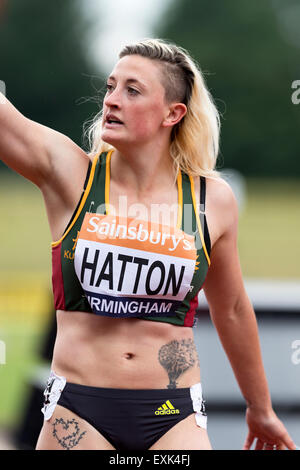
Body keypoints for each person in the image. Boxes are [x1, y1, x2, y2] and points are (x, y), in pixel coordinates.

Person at [0, 38, 296, 451]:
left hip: (172, 414)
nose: (112, 100)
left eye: (132, 90)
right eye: (110, 86)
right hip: (78, 411)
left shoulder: (212, 200)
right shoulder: (72, 175)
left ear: (173, 113)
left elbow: (231, 309)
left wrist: (260, 408)